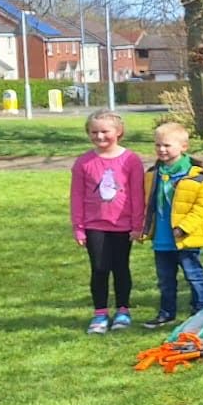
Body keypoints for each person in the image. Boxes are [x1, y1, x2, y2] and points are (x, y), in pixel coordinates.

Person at [70, 110, 145, 333]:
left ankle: (123, 310)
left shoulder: (131, 160)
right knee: (100, 268)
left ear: (118, 132)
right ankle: (100, 313)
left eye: (105, 131)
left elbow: (137, 195)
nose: (100, 136)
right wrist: (79, 228)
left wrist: (137, 225)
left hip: (123, 226)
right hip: (94, 225)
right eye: (94, 132)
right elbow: (77, 197)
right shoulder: (83, 162)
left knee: (121, 268)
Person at [140, 122, 203, 329]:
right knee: (165, 280)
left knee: (194, 276)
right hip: (162, 239)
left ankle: (200, 310)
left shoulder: (198, 177)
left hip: (186, 238)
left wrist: (184, 227)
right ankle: (166, 313)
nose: (161, 149)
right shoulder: (152, 174)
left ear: (183, 146)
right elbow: (146, 203)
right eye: (158, 145)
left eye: (167, 145)